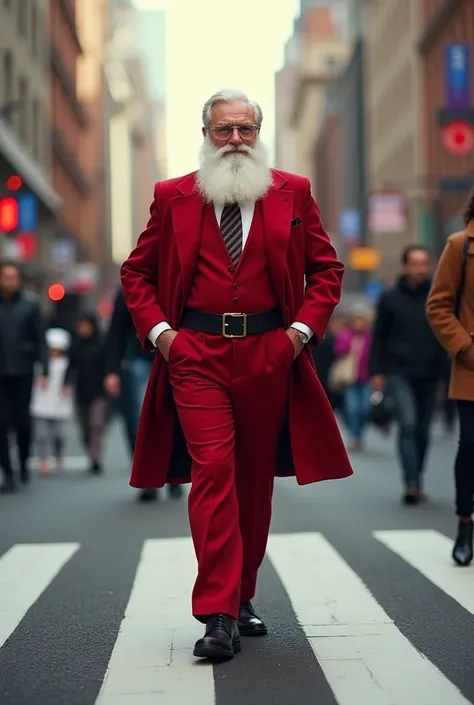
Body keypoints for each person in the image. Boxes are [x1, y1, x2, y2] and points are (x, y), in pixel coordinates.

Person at [121, 88, 353, 661]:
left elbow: (326, 268)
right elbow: (136, 273)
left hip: (269, 352)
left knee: (252, 481)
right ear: (205, 135)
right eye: (223, 130)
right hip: (194, 354)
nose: (234, 141)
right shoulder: (172, 196)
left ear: (259, 132)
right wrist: (163, 337)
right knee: (214, 473)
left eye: (245, 130)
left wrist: (298, 335)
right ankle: (218, 613)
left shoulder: (292, 191)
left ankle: (243, 595)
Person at [369, 245, 445, 505]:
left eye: (424, 263)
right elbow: (378, 336)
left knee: (423, 430)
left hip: (431, 371)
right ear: (405, 266)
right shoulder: (390, 298)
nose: (419, 269)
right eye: (414, 263)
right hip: (398, 370)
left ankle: (418, 478)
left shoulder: (438, 296)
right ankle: (411, 484)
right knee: (409, 424)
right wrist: (376, 371)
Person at [426, 191, 474, 566]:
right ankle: (464, 523)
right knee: (470, 446)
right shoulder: (461, 245)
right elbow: (439, 305)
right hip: (472, 368)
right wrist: (465, 350)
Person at [104, 287, 183, 501]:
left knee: (174, 417)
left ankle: (173, 476)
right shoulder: (129, 290)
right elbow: (116, 331)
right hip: (138, 361)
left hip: (174, 360)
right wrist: (111, 371)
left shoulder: (174, 279)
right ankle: (149, 478)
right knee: (138, 421)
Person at [0, 261, 49, 493]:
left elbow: (40, 338)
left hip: (23, 370)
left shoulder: (30, 304)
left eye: (12, 276)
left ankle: (22, 463)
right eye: (5, 276)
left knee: (22, 421)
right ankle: (7, 473)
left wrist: (45, 369)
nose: (9, 280)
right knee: (1, 423)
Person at [65, 313, 107, 474]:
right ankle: (90, 449)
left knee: (96, 424)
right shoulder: (76, 345)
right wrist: (66, 384)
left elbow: (108, 365)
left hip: (99, 391)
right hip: (81, 390)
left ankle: (95, 457)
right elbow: (70, 366)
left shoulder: (102, 344)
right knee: (84, 427)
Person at [30, 328, 73, 474]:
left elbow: (71, 381)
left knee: (58, 435)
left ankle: (58, 454)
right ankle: (43, 460)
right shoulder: (39, 364)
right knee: (41, 435)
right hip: (41, 404)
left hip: (59, 404)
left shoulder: (67, 364)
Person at [333, 308, 372, 451]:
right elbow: (338, 351)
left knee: (365, 408)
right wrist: (350, 344)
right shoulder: (345, 335)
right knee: (352, 408)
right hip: (350, 378)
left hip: (366, 377)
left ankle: (359, 433)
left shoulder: (369, 337)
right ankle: (353, 435)